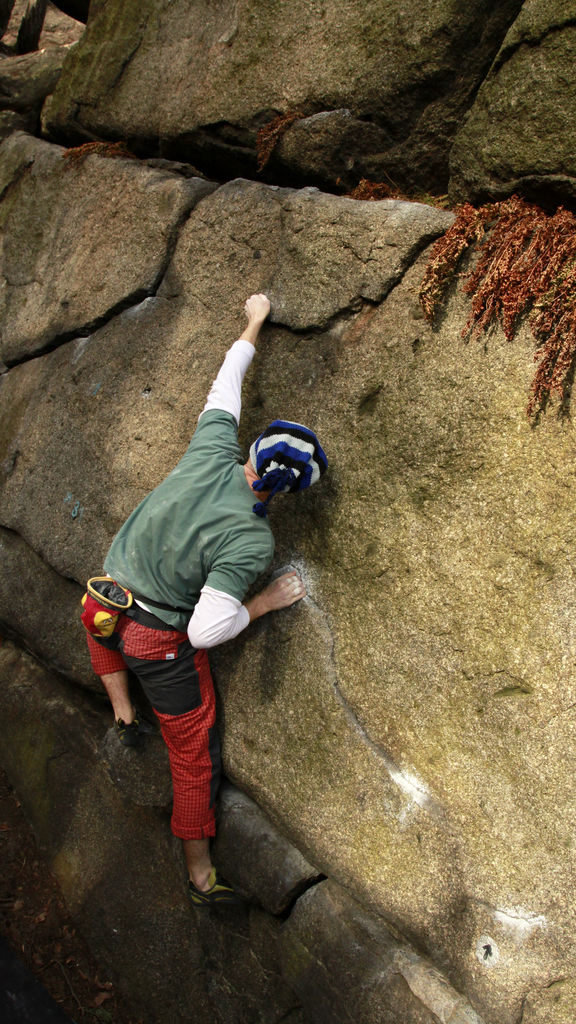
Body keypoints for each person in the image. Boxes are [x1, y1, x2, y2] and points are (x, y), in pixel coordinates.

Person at [82, 293, 327, 907]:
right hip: (155, 642)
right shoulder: (251, 538)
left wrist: (255, 320)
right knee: (194, 751)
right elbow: (203, 632)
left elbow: (227, 380)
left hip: (102, 600)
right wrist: (267, 601)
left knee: (99, 624)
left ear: (251, 452)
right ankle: (197, 864)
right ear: (288, 493)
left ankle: (121, 711)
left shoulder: (210, 450)